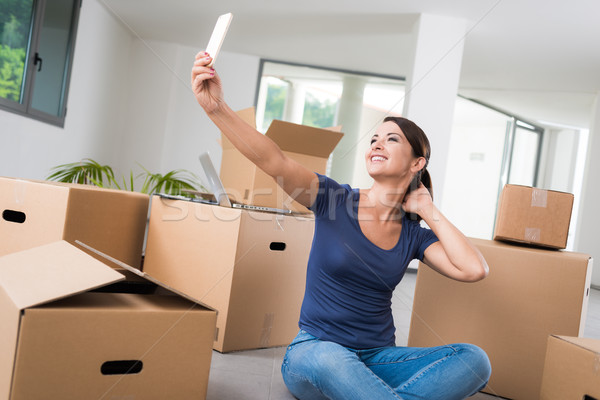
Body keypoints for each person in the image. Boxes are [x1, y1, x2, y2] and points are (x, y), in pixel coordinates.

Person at [191, 51, 492, 400]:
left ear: (417, 163)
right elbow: (274, 159)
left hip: (377, 359)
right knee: (333, 357)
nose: (377, 143)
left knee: (475, 361)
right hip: (315, 353)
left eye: (392, 139)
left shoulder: (413, 235)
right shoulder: (334, 199)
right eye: (375, 138)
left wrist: (426, 207)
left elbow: (474, 270)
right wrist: (216, 108)